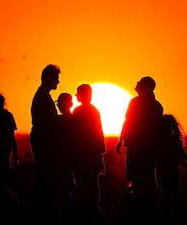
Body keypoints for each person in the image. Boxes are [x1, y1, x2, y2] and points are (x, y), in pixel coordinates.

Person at [115, 76, 163, 220]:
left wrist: (120, 140)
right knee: (144, 177)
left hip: (139, 147)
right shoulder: (157, 105)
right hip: (147, 148)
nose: (136, 84)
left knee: (139, 178)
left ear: (146, 87)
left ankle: (141, 209)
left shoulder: (136, 103)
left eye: (140, 83)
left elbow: (128, 122)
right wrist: (120, 140)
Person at [71, 83, 107, 223]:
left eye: (78, 93)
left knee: (84, 187)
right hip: (91, 155)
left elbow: (76, 134)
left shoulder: (79, 112)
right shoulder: (94, 111)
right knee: (90, 187)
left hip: (83, 156)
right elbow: (99, 134)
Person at [29, 64, 61, 219]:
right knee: (46, 180)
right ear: (48, 78)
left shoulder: (43, 95)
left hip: (43, 141)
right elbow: (48, 123)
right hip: (44, 143)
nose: (58, 82)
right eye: (56, 78)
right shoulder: (43, 97)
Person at [156, 114, 187, 216]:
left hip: (162, 170)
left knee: (165, 196)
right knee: (175, 195)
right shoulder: (173, 140)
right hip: (172, 171)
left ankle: (166, 217)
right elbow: (180, 158)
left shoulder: (158, 141)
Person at [56, 92, 76, 222]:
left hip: (63, 160)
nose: (58, 106)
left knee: (64, 189)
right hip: (68, 159)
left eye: (59, 103)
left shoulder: (59, 120)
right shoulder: (75, 119)